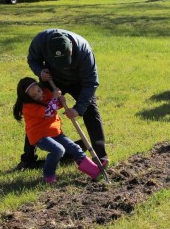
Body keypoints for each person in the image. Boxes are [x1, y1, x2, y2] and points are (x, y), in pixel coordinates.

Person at [18, 29, 109, 170]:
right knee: (39, 114)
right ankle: (28, 160)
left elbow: (91, 83)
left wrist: (78, 109)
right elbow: (33, 60)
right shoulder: (40, 41)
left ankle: (100, 157)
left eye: (66, 61)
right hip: (52, 80)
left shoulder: (84, 50)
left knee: (91, 110)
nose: (64, 67)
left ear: (71, 50)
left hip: (79, 81)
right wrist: (40, 71)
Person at [13, 77, 104, 183]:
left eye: (38, 91)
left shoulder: (46, 93)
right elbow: (48, 112)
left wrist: (61, 100)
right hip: (39, 135)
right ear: (28, 97)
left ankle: (94, 171)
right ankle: (48, 176)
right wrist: (55, 98)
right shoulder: (28, 107)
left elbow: (55, 105)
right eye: (34, 95)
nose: (38, 95)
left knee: (75, 148)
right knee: (58, 150)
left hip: (54, 131)